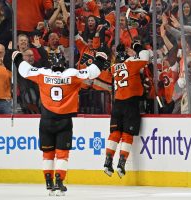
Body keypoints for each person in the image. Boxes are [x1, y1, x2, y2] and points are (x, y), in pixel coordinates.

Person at [12, 49, 107, 196]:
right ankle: (59, 182)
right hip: (64, 121)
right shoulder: (72, 74)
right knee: (62, 154)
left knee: (47, 153)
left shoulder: (43, 74)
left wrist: (17, 57)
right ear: (63, 64)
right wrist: (101, 58)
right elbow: (92, 72)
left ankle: (48, 182)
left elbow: (24, 70)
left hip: (46, 120)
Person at [103, 42, 150, 178]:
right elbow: (145, 56)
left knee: (115, 133)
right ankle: (121, 164)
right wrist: (137, 46)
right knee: (127, 134)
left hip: (117, 104)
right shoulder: (131, 64)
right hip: (130, 103)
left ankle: (107, 162)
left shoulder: (113, 68)